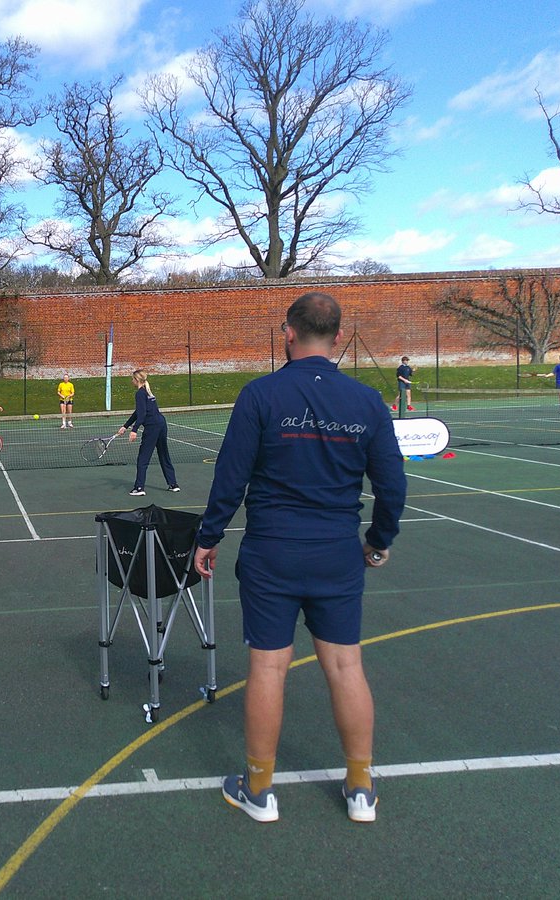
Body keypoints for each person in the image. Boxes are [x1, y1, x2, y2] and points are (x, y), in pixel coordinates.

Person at [192, 292, 406, 825]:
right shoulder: (366, 401)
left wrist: (208, 535)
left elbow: (231, 475)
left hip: (273, 552)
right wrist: (378, 542)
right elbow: (392, 486)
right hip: (336, 551)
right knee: (345, 664)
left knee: (268, 666)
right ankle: (361, 787)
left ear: (288, 331)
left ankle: (259, 790)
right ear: (337, 338)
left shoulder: (261, 394)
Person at [116, 369, 180, 496]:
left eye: (132, 379)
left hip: (153, 428)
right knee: (163, 455)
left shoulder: (140, 393)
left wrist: (134, 430)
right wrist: (125, 426)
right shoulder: (147, 392)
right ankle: (173, 484)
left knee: (143, 458)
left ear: (137, 380)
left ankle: (139, 488)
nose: (131, 381)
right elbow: (138, 412)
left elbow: (142, 414)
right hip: (161, 424)